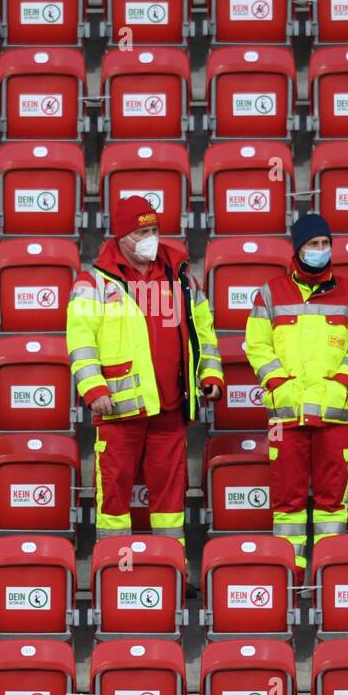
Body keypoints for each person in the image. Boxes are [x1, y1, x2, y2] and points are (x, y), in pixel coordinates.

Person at [66, 197, 224, 547]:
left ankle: (172, 570)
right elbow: (80, 341)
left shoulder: (180, 276)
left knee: (170, 498)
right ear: (122, 236)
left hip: (170, 406)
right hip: (119, 408)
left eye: (154, 230)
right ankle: (113, 568)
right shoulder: (93, 282)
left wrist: (210, 375)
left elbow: (203, 331)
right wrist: (94, 388)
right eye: (142, 232)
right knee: (114, 494)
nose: (152, 238)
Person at [243, 213, 348, 582]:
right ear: (298, 248)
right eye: (312, 245)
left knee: (332, 502)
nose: (320, 251)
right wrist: (279, 385)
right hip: (285, 415)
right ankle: (292, 576)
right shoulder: (269, 294)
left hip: (334, 414)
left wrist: (341, 385)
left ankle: (327, 574)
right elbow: (256, 346)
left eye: (324, 244)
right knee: (287, 502)